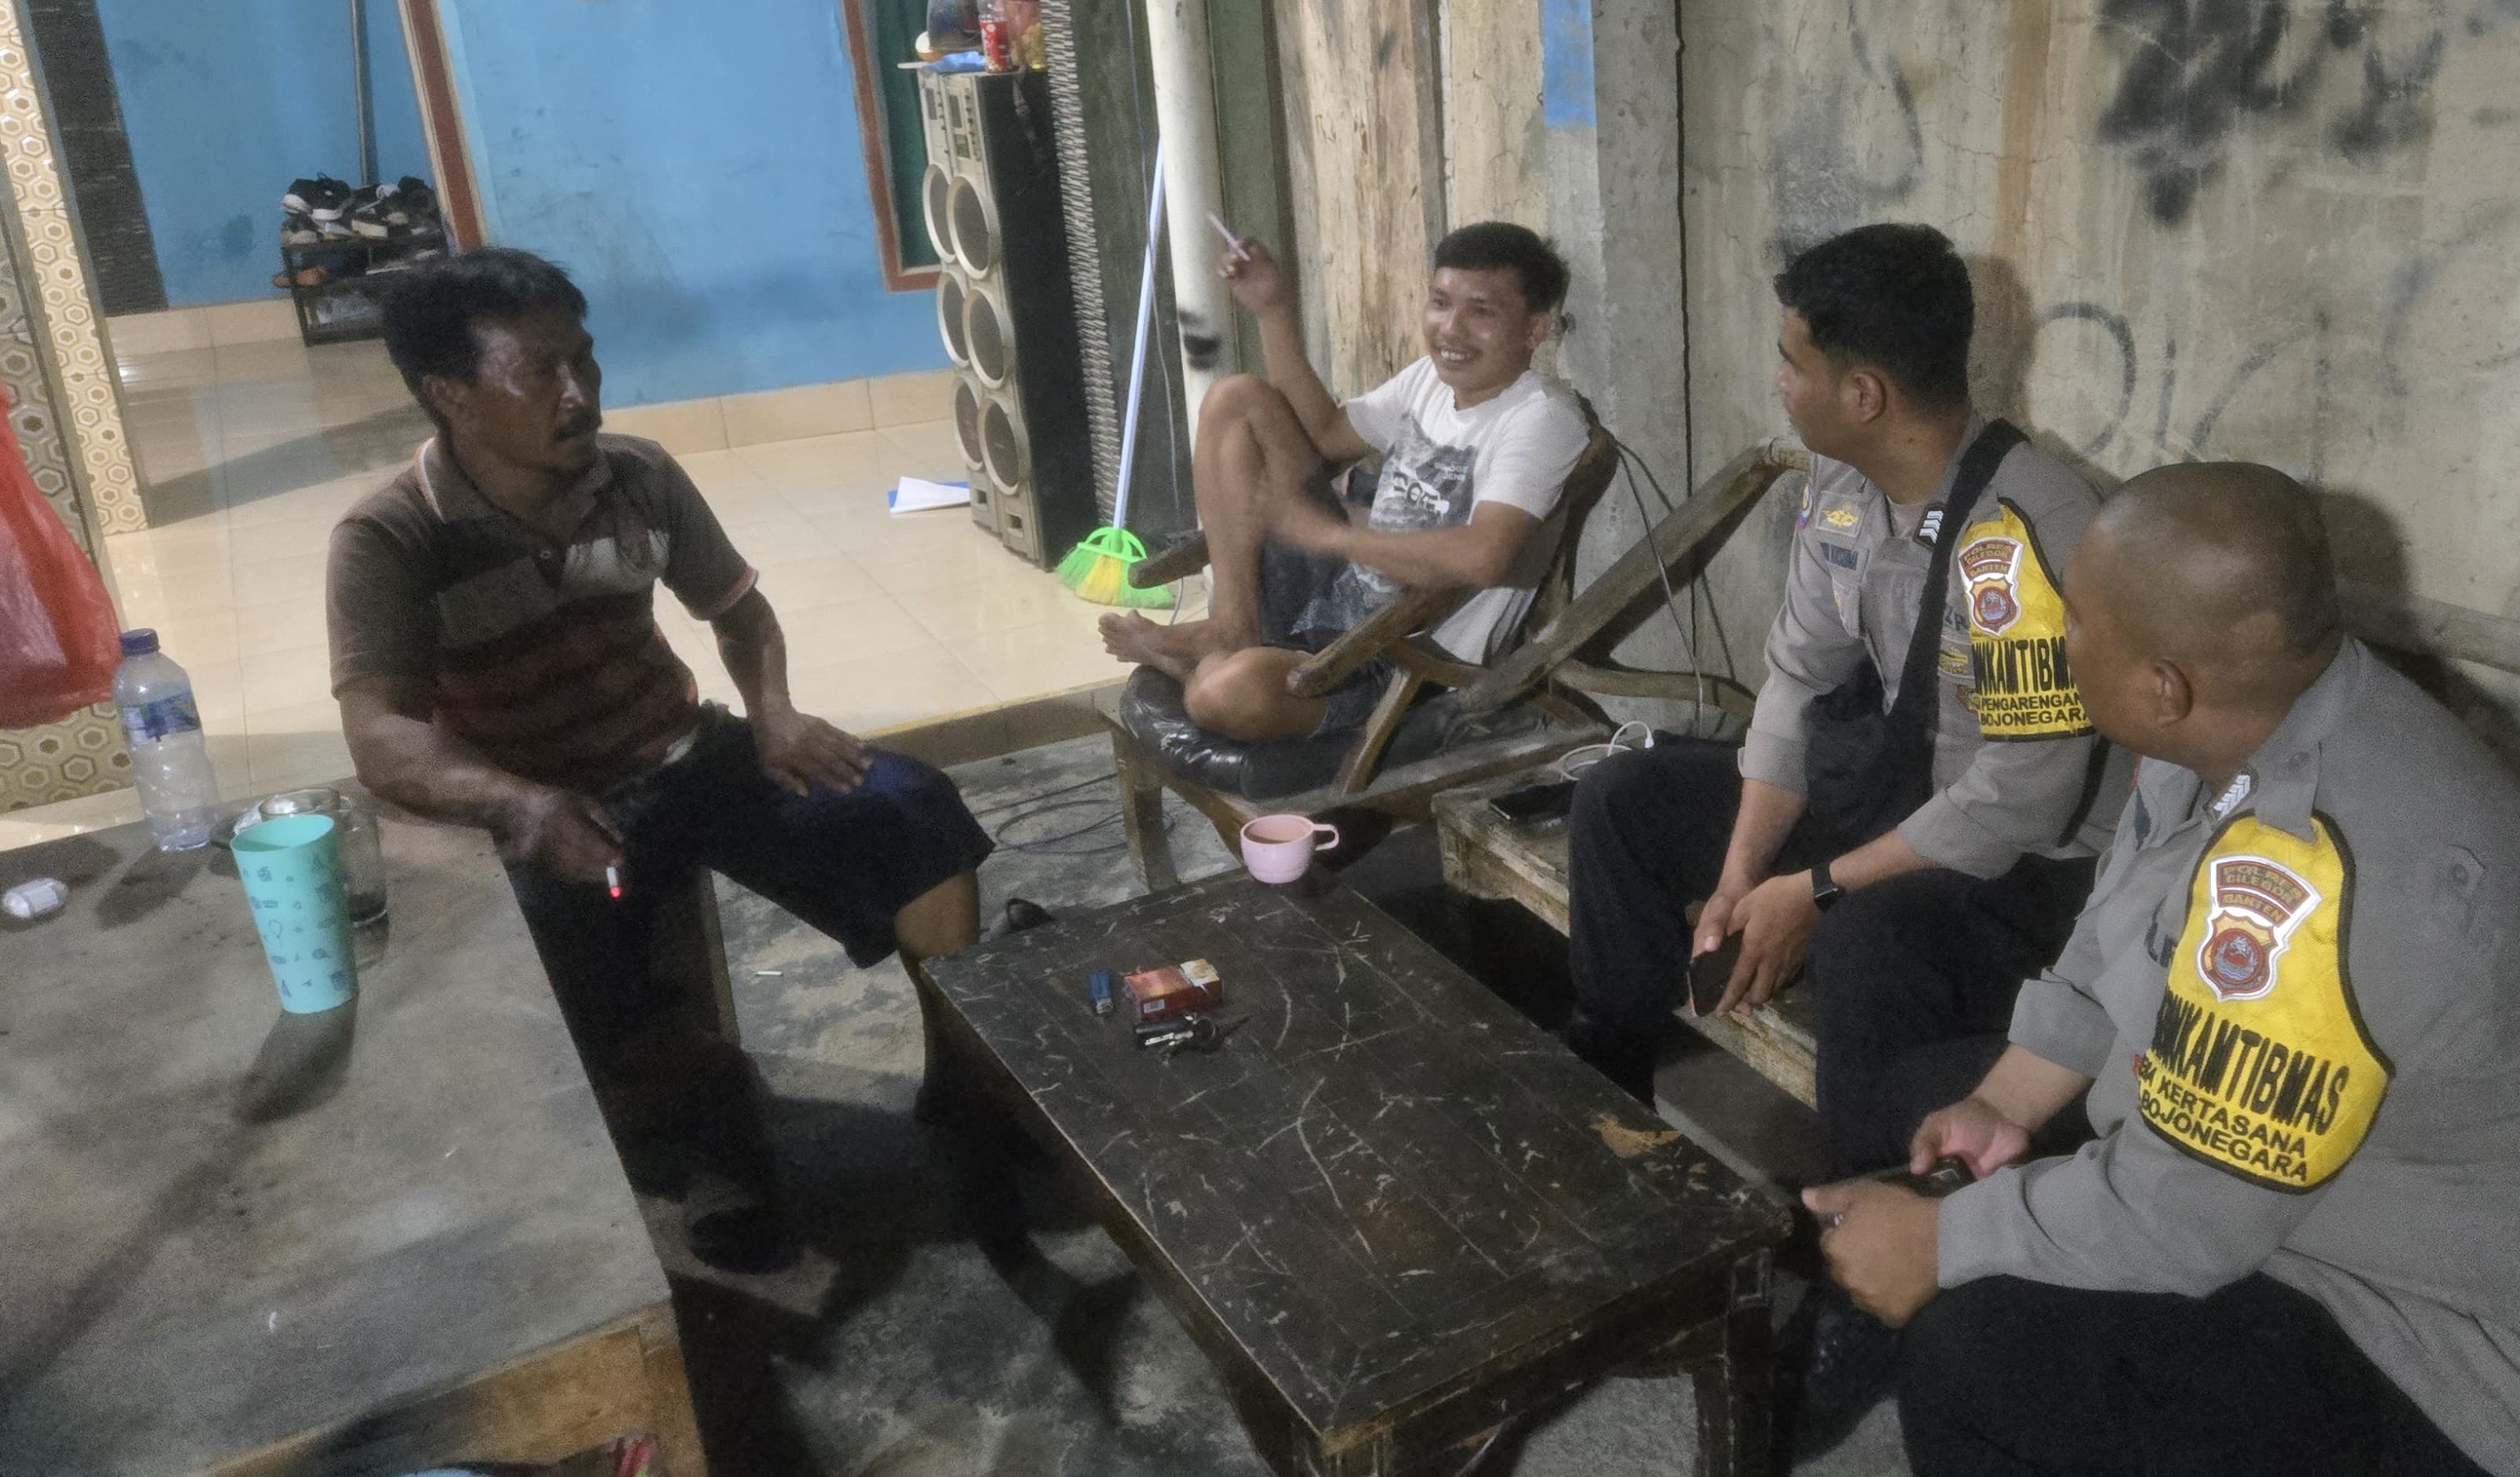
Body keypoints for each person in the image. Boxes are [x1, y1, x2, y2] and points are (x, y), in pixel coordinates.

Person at [1803, 462, 2520, 1477]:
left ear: (2162, 686)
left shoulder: (2329, 877)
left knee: (1984, 1355)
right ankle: (1869, 1304)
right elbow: (2116, 931)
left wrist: (1945, 1244)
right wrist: (2000, 1105)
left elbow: (2178, 1219)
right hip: (2321, 1228)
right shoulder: (2241, 724)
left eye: (2076, 620)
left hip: (2461, 1366)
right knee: (1928, 1111)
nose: (2053, 632)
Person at [328, 250, 995, 1257]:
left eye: (584, 361)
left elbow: (740, 612)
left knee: (911, 807)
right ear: (447, 395)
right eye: (539, 372)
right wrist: (519, 803)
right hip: (549, 797)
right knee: (564, 941)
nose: (579, 393)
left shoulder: (637, 475)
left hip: (686, 753)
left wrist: (772, 712)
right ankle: (712, 1126)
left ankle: (967, 1076)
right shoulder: (391, 537)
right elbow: (380, 733)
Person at [1562, 222, 2115, 1138]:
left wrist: (1818, 889)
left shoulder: (2026, 528)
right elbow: (1794, 681)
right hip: (1891, 803)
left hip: (2027, 870)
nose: (1780, 382)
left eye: (1792, 362)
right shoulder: (1843, 483)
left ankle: (1855, 1198)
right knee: (1622, 798)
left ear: (1863, 394)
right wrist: (1744, 872)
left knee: (1864, 938)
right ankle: (1611, 1098)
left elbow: (2021, 800)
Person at [1099, 222, 1593, 741]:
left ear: (1534, 330)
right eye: (1440, 302)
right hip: (1343, 597)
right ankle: (1233, 629)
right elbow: (1328, 434)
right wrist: (1272, 309)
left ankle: (1202, 671)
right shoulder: (1429, 378)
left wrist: (1333, 535)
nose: (1451, 329)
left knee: (1222, 694)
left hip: (1406, 657)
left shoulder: (1542, 418)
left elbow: (1484, 556)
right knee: (1235, 400)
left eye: (1481, 312)